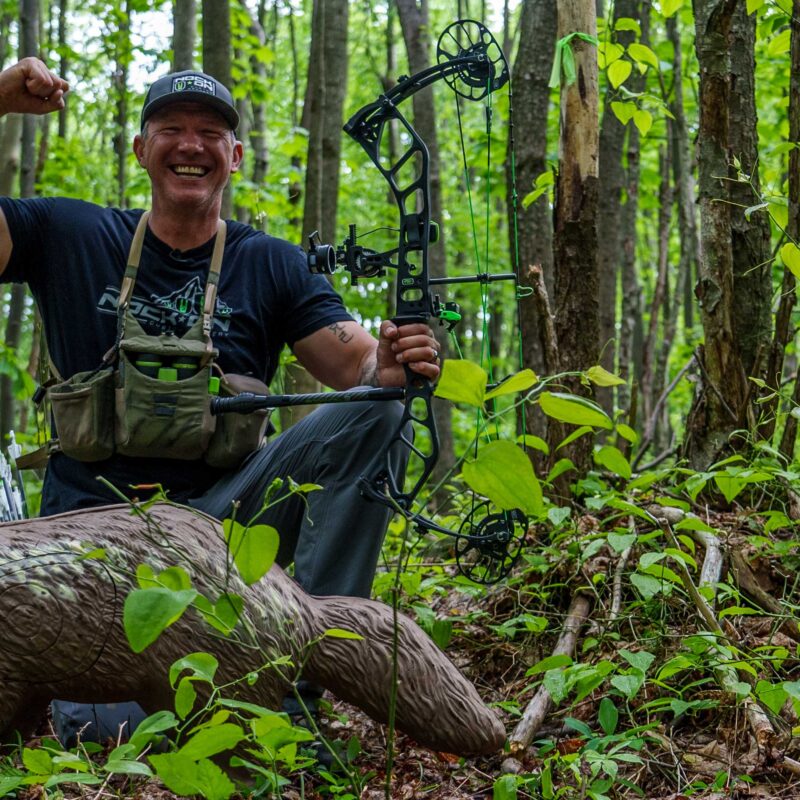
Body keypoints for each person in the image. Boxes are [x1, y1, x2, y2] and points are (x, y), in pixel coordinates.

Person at [0, 58, 441, 745]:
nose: (190, 144)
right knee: (110, 737)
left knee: (374, 409)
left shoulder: (271, 262)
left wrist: (388, 362)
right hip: (91, 555)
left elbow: (356, 364)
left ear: (235, 155)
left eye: (210, 132)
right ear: (140, 148)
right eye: (170, 127)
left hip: (225, 535)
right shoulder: (70, 233)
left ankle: (304, 676)